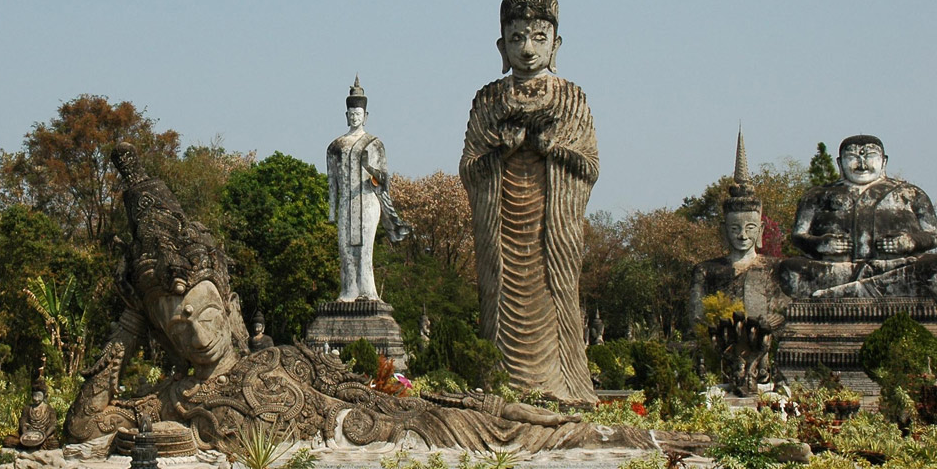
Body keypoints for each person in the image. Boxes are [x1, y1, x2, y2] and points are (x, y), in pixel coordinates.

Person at [64, 143, 655, 454]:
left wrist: (427, 406)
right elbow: (85, 423)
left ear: (231, 304)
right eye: (175, 320)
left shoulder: (284, 358)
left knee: (491, 418)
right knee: (500, 432)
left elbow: (369, 395)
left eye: (204, 307)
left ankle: (579, 424)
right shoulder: (172, 401)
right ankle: (587, 431)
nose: (192, 326)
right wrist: (129, 320)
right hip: (379, 446)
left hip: (394, 426)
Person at [459, 0, 597, 405]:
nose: (528, 48)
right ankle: (499, 382)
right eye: (517, 37)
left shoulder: (571, 96)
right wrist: (501, 147)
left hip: (551, 229)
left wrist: (550, 146)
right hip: (502, 229)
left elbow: (589, 165)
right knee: (498, 299)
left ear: (556, 43)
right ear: (501, 44)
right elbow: (468, 167)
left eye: (539, 36)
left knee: (559, 294)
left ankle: (564, 385)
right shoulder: (488, 99)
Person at [779, 135, 937, 298]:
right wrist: (820, 244)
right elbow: (798, 236)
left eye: (870, 157)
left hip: (897, 267)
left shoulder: (910, 194)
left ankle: (841, 293)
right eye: (853, 157)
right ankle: (871, 287)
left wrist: (910, 242)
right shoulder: (817, 196)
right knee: (790, 270)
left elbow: (933, 235)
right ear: (840, 163)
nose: (862, 165)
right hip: (839, 271)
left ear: (884, 161)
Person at [690, 130, 785, 332]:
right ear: (724, 231)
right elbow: (697, 318)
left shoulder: (774, 268)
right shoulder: (706, 271)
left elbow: (784, 313)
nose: (742, 235)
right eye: (735, 228)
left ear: (760, 230)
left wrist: (766, 328)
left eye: (750, 228)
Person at [326, 77, 410, 301]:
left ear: (366, 116)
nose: (355, 117)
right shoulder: (336, 146)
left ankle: (368, 291)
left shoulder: (374, 144)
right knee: (345, 249)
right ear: (346, 116)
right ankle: (348, 290)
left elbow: (384, 179)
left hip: (368, 201)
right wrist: (331, 211)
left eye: (358, 114)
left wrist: (369, 168)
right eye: (351, 114)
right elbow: (332, 182)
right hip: (347, 203)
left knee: (364, 249)